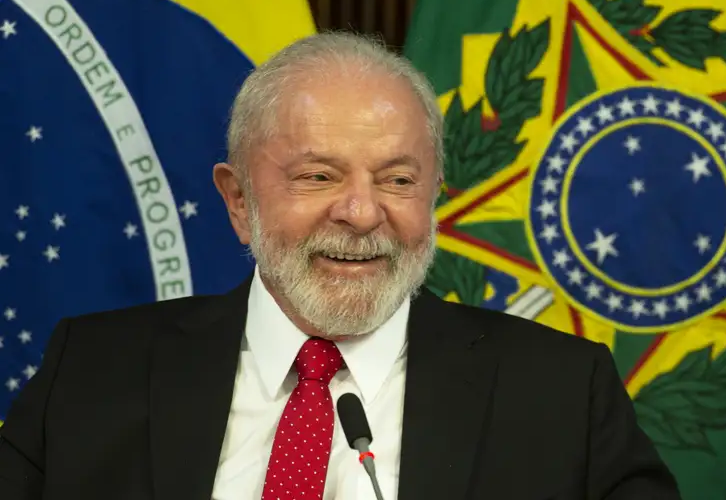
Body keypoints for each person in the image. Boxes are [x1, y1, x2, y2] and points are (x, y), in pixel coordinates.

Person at [0, 31, 681, 500]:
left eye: (398, 180)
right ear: (239, 201)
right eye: (318, 176)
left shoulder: (563, 393)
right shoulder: (89, 372)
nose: (361, 213)